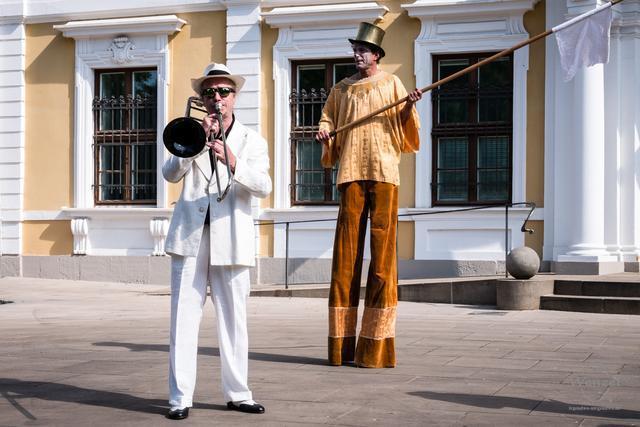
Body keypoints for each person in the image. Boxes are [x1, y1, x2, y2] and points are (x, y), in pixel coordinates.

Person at [162, 62, 271, 419]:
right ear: (201, 98)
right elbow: (169, 173)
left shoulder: (252, 140)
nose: (216, 98)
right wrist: (194, 144)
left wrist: (235, 161)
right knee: (183, 319)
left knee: (234, 319)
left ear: (234, 97)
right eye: (209, 92)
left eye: (223, 92)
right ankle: (180, 399)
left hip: (232, 237)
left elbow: (265, 187)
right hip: (191, 237)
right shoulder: (189, 132)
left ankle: (239, 393)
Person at [316, 22, 422, 368]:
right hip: (350, 174)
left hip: (383, 174)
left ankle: (375, 348)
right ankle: (341, 346)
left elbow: (405, 126)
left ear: (376, 55)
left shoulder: (392, 83)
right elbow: (327, 120)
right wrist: (324, 132)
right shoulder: (341, 89)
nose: (358, 55)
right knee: (345, 258)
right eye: (355, 50)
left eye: (363, 50)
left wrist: (407, 106)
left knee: (382, 260)